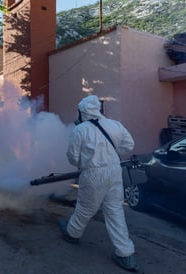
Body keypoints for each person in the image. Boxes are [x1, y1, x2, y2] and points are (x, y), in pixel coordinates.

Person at [58, 95, 139, 272]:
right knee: (115, 211)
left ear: (82, 111)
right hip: (115, 171)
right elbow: (128, 145)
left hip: (93, 173)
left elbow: (72, 157)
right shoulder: (115, 124)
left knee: (85, 208)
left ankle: (72, 233)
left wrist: (84, 162)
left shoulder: (80, 130)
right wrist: (111, 153)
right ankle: (126, 255)